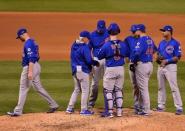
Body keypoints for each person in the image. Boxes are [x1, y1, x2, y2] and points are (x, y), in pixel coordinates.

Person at [7, 28, 59, 117]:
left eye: (19, 37)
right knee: (38, 88)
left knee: (23, 88)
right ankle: (53, 104)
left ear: (22, 35)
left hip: (30, 67)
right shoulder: (33, 41)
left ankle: (18, 111)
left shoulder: (28, 44)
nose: (20, 39)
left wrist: (30, 72)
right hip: (36, 66)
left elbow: (31, 58)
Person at [97, 23, 129, 118]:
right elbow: (128, 55)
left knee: (108, 91)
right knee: (118, 90)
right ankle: (119, 112)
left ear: (108, 32)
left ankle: (110, 112)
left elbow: (99, 56)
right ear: (118, 31)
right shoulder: (123, 44)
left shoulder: (106, 45)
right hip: (121, 69)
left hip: (111, 69)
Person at [66, 31, 99, 116]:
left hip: (74, 70)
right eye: (87, 39)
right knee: (85, 90)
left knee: (77, 89)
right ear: (84, 38)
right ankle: (84, 110)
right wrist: (95, 62)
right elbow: (88, 60)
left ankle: (69, 108)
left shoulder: (74, 45)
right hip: (83, 71)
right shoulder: (84, 47)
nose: (88, 41)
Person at [156, 25, 183, 115]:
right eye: (162, 31)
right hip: (161, 67)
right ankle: (161, 106)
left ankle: (179, 107)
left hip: (170, 67)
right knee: (160, 87)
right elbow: (158, 54)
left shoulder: (175, 43)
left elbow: (177, 57)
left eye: (164, 31)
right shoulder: (161, 43)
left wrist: (167, 61)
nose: (162, 32)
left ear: (169, 32)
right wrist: (158, 59)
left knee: (174, 87)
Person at [131, 24, 157, 116]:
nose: (134, 32)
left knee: (143, 88)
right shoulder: (150, 39)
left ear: (139, 30)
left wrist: (133, 61)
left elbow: (137, 53)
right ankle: (142, 107)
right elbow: (155, 50)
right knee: (143, 87)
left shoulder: (141, 40)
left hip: (142, 65)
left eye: (136, 31)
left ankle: (146, 110)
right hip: (150, 65)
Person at [88, 20, 109, 110]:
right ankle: (91, 103)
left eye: (102, 29)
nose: (101, 30)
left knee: (108, 83)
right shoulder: (92, 35)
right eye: (99, 28)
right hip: (97, 60)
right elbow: (88, 49)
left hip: (108, 60)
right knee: (95, 84)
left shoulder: (109, 32)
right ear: (97, 27)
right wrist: (91, 61)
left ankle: (111, 103)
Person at [124, 24, 142, 114]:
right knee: (135, 85)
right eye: (132, 31)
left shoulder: (143, 39)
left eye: (134, 31)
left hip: (141, 64)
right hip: (132, 64)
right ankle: (136, 105)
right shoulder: (128, 39)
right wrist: (127, 58)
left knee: (141, 85)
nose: (133, 33)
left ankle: (142, 105)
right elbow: (125, 51)